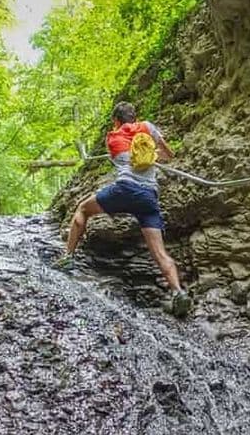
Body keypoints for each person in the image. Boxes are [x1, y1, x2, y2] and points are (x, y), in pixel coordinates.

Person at [54, 101, 192, 317]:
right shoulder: (148, 128)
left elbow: (119, 160)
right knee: (159, 253)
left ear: (116, 121)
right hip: (149, 197)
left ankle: (68, 256)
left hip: (124, 189)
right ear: (135, 117)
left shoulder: (112, 137)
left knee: (82, 209)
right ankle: (178, 292)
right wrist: (152, 154)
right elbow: (168, 155)